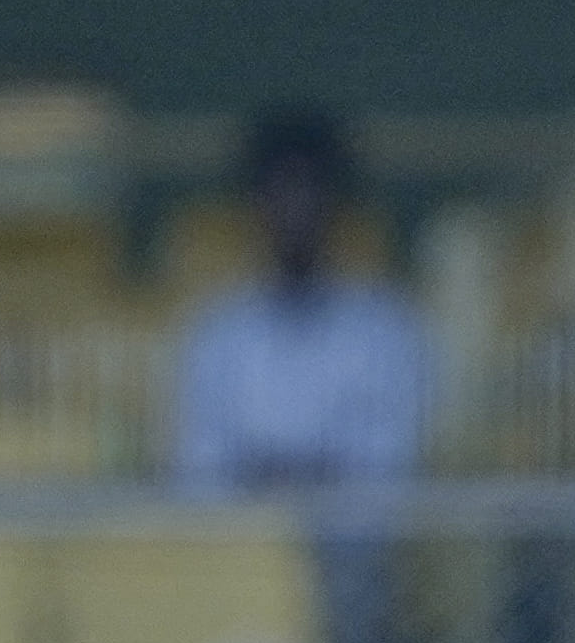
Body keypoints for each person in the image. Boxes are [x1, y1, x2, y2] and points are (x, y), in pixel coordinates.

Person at [172, 109, 432, 494]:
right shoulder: (217, 332)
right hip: (245, 543)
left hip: (351, 545)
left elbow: (390, 460)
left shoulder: (387, 329)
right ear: (257, 204)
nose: (295, 210)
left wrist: (311, 485)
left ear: (335, 203)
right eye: (280, 192)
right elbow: (199, 465)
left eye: (309, 190)